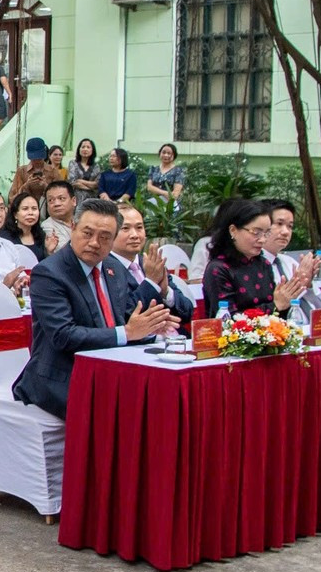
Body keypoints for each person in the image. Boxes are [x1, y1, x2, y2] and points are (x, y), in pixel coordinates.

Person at [13, 199, 183, 420]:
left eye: (104, 237)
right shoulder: (49, 273)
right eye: (87, 233)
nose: (94, 243)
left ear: (113, 240)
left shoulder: (114, 269)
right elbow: (63, 335)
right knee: (127, 409)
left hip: (109, 370)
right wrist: (129, 333)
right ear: (73, 227)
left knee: (161, 395)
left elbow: (125, 319)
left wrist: (151, 327)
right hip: (62, 377)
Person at [199, 199, 319, 317]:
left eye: (266, 233)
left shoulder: (264, 264)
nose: (262, 240)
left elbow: (280, 313)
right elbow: (228, 320)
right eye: (256, 232)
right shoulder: (219, 269)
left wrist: (289, 297)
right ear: (233, 230)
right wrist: (276, 304)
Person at [108, 203, 194, 321]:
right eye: (125, 228)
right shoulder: (105, 268)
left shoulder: (151, 263)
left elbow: (187, 312)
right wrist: (151, 282)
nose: (135, 235)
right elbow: (124, 315)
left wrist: (166, 292)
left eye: (139, 228)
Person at [258, 199, 321, 310]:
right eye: (279, 224)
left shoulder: (290, 262)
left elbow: (320, 306)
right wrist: (294, 288)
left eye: (290, 226)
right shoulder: (254, 265)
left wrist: (307, 286)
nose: (285, 232)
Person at [3, 190, 52, 262]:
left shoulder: (41, 235)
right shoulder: (4, 238)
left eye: (34, 209)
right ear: (15, 214)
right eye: (25, 209)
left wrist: (48, 251)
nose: (30, 213)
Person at [8, 137, 55, 202]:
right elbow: (12, 199)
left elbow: (60, 195)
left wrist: (46, 186)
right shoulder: (21, 171)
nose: (37, 161)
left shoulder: (53, 171)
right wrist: (26, 185)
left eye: (39, 158)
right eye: (34, 159)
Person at [42, 180, 77, 250]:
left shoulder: (81, 220)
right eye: (51, 200)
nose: (56, 204)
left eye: (61, 198)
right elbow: (63, 252)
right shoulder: (47, 226)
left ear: (74, 201)